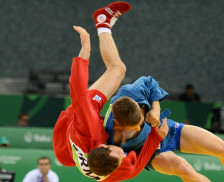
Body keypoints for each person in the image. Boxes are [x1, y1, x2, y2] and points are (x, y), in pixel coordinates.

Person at [53, 2, 168, 182]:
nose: (123, 153)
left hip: (73, 126)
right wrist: (156, 135)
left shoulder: (88, 127)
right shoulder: (118, 168)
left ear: (105, 147)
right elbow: (136, 167)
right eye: (122, 157)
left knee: (117, 69)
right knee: (118, 69)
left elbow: (77, 91)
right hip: (65, 154)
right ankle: (103, 22)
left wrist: (84, 51)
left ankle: (102, 21)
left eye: (117, 152)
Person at [93, 76, 224, 182]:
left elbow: (150, 82)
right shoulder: (108, 143)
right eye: (136, 126)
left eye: (142, 119)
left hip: (169, 129)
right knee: (185, 170)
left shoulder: (129, 92)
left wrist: (155, 108)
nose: (144, 125)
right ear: (119, 124)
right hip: (152, 153)